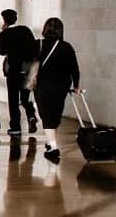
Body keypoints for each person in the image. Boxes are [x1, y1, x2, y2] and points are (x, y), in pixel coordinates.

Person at [33, 17, 80, 162]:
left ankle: (53, 148)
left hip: (42, 85)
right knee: (55, 114)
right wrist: (76, 85)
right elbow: (75, 69)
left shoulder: (37, 44)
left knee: (46, 115)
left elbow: (27, 64)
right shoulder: (67, 47)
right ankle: (50, 141)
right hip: (61, 87)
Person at [0, 9, 38, 137]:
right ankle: (31, 116)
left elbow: (1, 51)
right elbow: (34, 48)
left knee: (13, 100)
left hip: (13, 71)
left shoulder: (5, 34)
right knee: (25, 98)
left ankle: (16, 127)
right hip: (26, 70)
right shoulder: (26, 30)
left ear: (5, 20)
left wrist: (2, 33)